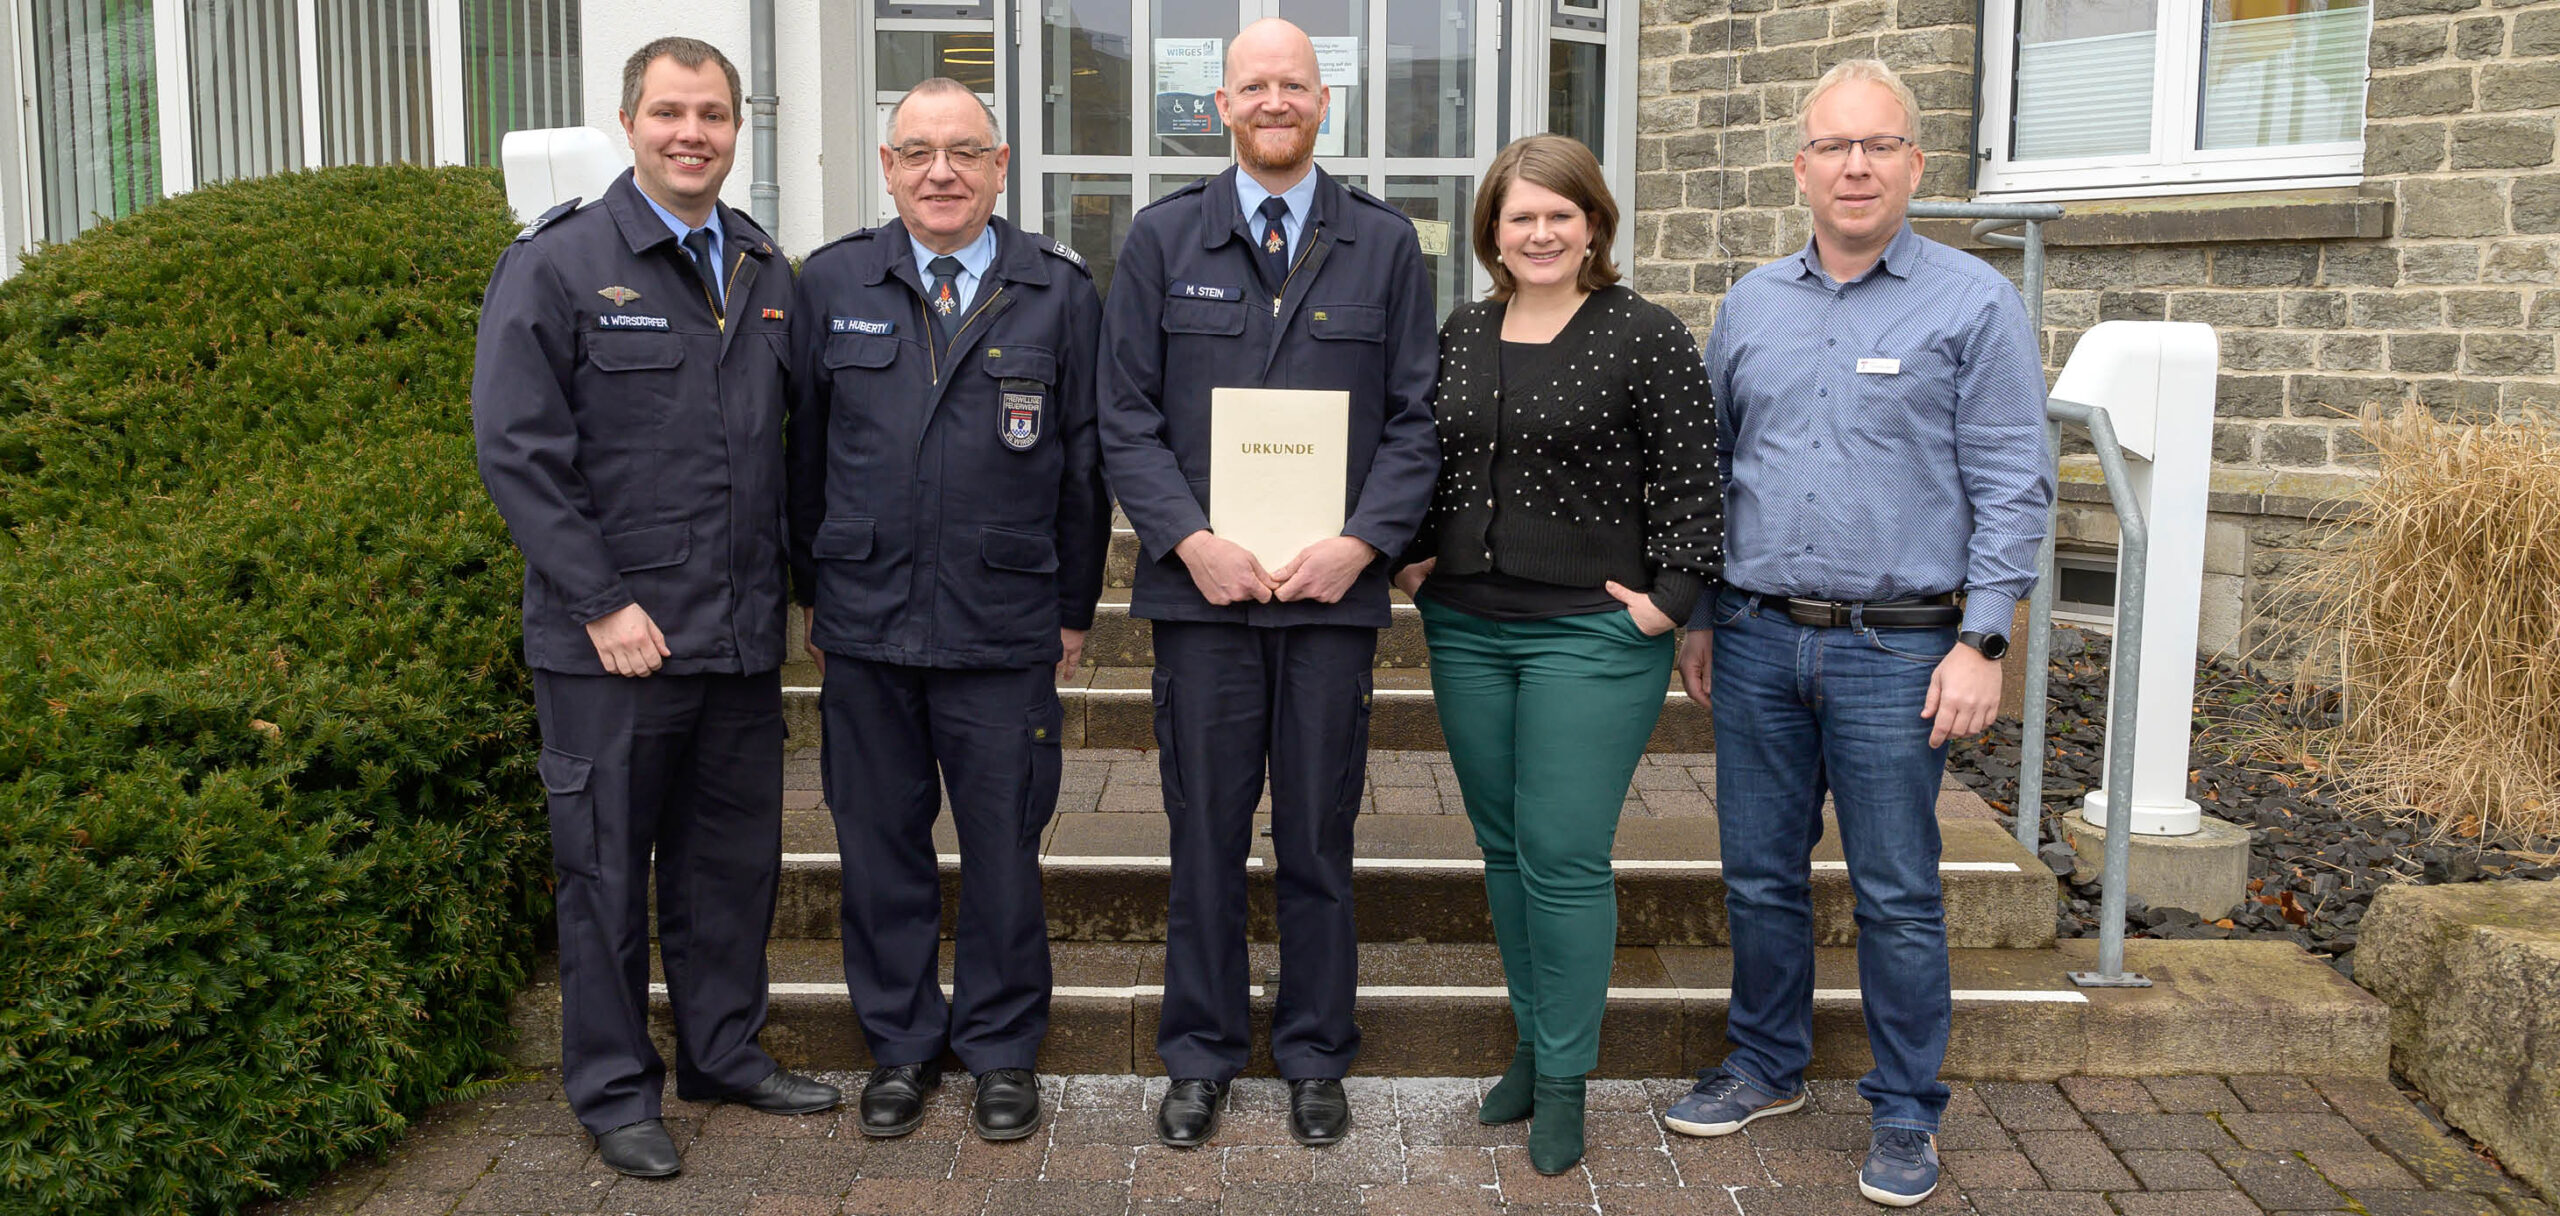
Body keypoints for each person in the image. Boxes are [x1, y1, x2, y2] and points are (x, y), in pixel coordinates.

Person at [1658, 59, 2053, 1208]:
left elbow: (2012, 479)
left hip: (1903, 649)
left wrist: (1984, 639)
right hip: (1757, 637)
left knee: (1893, 887)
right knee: (1760, 875)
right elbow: (1712, 469)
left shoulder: (1974, 302)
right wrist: (1700, 613)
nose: (1856, 166)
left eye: (1878, 145)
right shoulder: (1751, 303)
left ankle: (1903, 1110)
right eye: (1833, 147)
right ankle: (1767, 1062)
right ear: (1800, 166)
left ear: (1916, 164)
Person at [471, 35, 840, 1180]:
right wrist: (600, 602)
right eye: (672, 112)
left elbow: (794, 459)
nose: (694, 133)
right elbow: (518, 451)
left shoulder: (764, 268)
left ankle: (722, 1051)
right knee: (602, 872)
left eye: (715, 115)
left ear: (741, 129)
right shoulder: (560, 263)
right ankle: (614, 1087)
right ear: (629, 121)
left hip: (733, 640)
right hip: (609, 647)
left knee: (728, 866)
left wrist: (804, 598)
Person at [1098, 17, 1439, 1150]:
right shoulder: (1160, 240)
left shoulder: (1386, 246)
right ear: (1222, 107)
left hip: (1331, 600)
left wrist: (1362, 543)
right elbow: (1126, 418)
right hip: (1203, 601)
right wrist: (1190, 539)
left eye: (1295, 84)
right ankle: (1198, 1053)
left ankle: (1313, 1054)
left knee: (1317, 833)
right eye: (1256, 86)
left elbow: (1413, 420)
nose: (1276, 101)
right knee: (1202, 833)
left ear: (1323, 103)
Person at [1389, 133, 1720, 1176]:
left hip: (1592, 632)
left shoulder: (1642, 334)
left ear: (1593, 226)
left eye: (1558, 214)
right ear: (1491, 230)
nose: (1538, 231)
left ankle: (1569, 1079)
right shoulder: (1462, 331)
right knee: (1501, 849)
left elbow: (1693, 478)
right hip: (1467, 625)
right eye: (1518, 215)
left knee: (1564, 855)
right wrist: (1407, 556)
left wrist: (1666, 605)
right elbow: (1420, 452)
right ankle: (1532, 1050)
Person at [785, 77, 1108, 1144]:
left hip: (1003, 623)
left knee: (1006, 849)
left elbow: (1082, 466)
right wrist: (816, 596)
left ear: (1000, 166)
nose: (940, 171)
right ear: (887, 167)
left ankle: (1003, 1048)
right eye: (917, 151)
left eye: (964, 151)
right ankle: (903, 1045)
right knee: (879, 847)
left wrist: (1072, 610)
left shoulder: (1058, 291)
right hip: (867, 621)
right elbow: (801, 460)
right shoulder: (833, 281)